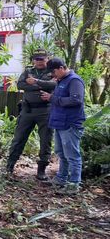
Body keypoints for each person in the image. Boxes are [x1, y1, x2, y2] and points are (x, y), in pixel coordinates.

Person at [5, 49, 56, 180]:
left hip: (45, 111)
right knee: (19, 138)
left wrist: (35, 82)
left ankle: (42, 170)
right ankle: (9, 166)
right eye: (37, 59)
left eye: (42, 59)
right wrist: (40, 86)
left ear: (47, 59)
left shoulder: (52, 71)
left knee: (46, 141)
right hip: (27, 110)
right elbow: (20, 85)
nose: (39, 61)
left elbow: (54, 85)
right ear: (33, 60)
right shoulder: (28, 71)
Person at [40, 58, 86, 195]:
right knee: (61, 153)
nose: (52, 75)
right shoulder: (60, 81)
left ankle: (74, 184)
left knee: (72, 155)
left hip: (70, 124)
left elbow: (76, 100)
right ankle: (61, 178)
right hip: (60, 123)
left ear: (61, 68)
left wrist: (52, 98)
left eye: (53, 72)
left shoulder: (74, 81)